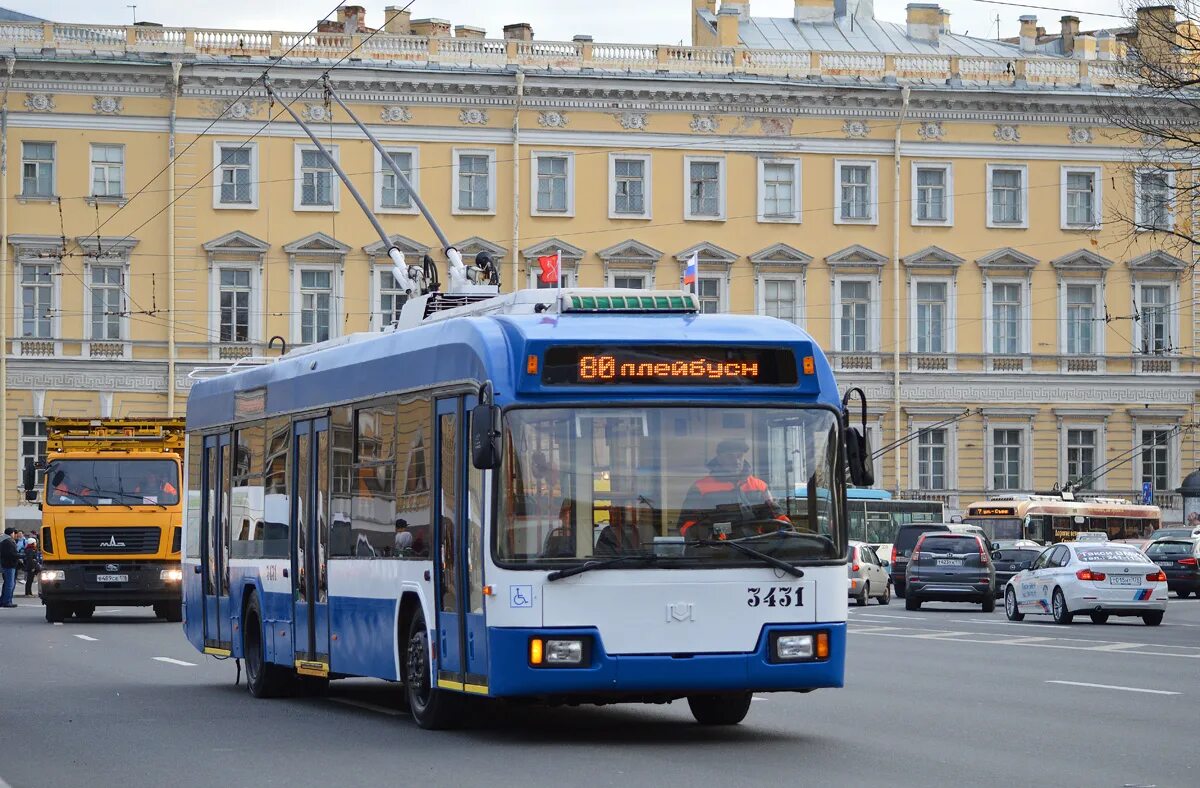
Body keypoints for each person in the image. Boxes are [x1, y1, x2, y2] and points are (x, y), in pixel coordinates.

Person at [677, 438, 787, 539]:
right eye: (730, 456)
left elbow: (778, 518)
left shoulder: (760, 486)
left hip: (758, 549)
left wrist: (787, 528)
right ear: (719, 458)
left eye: (740, 456)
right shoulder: (701, 488)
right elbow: (685, 527)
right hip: (717, 552)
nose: (736, 461)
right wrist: (716, 532)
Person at [0, 527, 20, 608]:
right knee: (10, 584)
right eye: (14, 533)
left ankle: (3, 600)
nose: (15, 535)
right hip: (9, 565)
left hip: (6, 564)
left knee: (7, 583)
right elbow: (11, 554)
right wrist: (21, 556)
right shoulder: (8, 542)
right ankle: (7, 601)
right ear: (11, 533)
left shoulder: (4, 540)